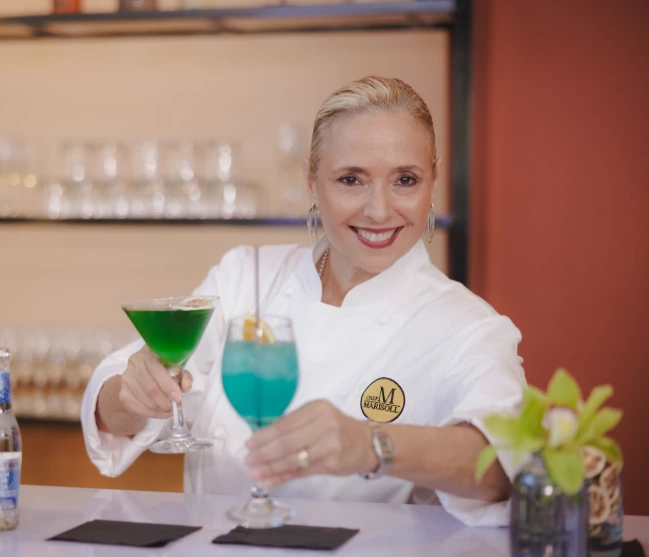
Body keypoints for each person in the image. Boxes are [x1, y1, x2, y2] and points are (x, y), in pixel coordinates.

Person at [81, 76, 526, 527]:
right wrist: (130, 391)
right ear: (311, 182)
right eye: (351, 180)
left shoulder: (468, 325)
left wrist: (370, 445)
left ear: (433, 181)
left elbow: (501, 466)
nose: (378, 210)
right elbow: (116, 414)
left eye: (405, 180)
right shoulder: (246, 276)